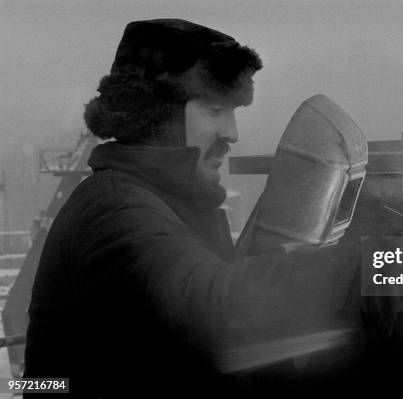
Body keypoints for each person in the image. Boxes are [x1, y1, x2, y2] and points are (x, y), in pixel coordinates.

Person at [24, 19, 363, 397]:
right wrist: (396, 268)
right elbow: (216, 311)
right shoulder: (114, 210)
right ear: (160, 118)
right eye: (215, 110)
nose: (231, 132)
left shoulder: (170, 206)